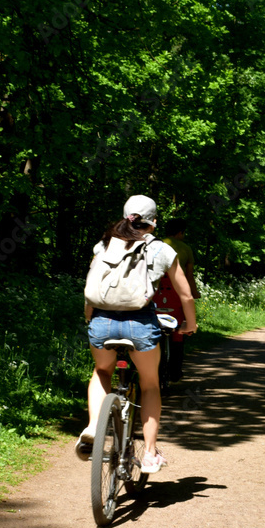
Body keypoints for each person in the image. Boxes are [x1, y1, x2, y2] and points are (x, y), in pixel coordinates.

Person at [77, 195, 197, 473]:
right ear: (153, 221)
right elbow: (185, 295)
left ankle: (94, 426)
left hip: (102, 321)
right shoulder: (161, 250)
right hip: (140, 323)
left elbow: (92, 283)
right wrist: (189, 324)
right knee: (150, 385)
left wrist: (89, 316)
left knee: (101, 371)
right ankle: (150, 454)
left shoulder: (105, 244)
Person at [155, 219, 200, 382]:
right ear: (180, 232)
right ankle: (175, 370)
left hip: (156, 293)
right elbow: (188, 277)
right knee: (180, 328)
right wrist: (194, 294)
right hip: (176, 293)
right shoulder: (186, 249)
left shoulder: (156, 245)